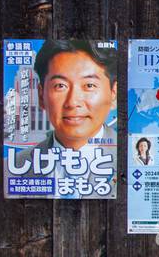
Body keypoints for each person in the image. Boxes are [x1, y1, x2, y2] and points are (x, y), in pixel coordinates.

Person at [11, 40, 118, 176]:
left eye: (89, 85)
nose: (73, 102)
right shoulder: (14, 167)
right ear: (41, 96)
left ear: (113, 94)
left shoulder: (131, 156)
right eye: (60, 86)